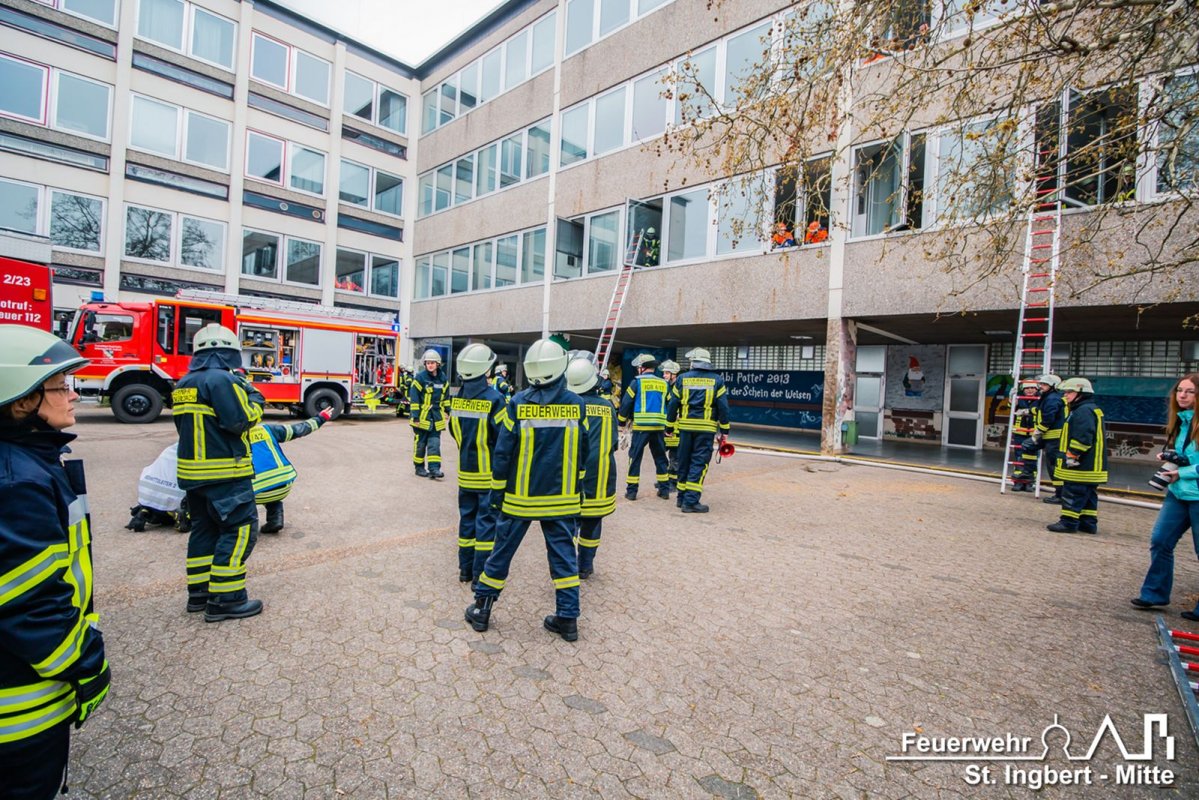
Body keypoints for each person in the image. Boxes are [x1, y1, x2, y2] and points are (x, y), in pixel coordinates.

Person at [0, 325, 110, 798]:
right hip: (20, 708)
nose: (74, 394)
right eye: (61, 386)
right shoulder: (17, 483)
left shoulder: (25, 464)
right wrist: (88, 663)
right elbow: (28, 605)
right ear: (21, 400)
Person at [465, 339, 593, 642]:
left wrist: (497, 494)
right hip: (561, 499)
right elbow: (584, 451)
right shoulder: (577, 404)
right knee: (564, 558)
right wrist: (578, 489)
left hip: (519, 499)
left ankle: (481, 610)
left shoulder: (518, 402)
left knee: (501, 553)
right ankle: (568, 620)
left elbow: (503, 454)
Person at [172, 323, 267, 621]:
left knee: (204, 530)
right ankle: (227, 599)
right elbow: (240, 421)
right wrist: (255, 399)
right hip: (226, 473)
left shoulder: (184, 383)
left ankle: (199, 594)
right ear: (230, 353)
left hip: (193, 475)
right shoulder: (222, 380)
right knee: (239, 530)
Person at [1131, 374, 1199, 614]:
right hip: (1178, 494)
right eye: (1179, 390)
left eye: (1189, 391)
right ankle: (1154, 594)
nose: (1182, 395)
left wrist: (1184, 472)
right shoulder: (1182, 421)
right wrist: (1173, 458)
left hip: (1194, 493)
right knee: (1160, 541)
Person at [449, 343, 509, 584]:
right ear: (486, 369)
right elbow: (503, 438)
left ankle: (464, 569)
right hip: (487, 476)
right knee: (486, 524)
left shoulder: (457, 398)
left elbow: (454, 431)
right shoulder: (495, 399)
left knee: (467, 521)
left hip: (465, 473)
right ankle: (479, 574)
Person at [567, 355, 618, 580]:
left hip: (571, 476)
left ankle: (567, 564)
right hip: (601, 474)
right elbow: (613, 443)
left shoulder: (568, 406)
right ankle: (585, 566)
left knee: (569, 523)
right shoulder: (607, 407)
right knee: (593, 522)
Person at [667, 347, 731, 513]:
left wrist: (669, 426)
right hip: (705, 429)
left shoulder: (682, 379)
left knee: (684, 461)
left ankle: (681, 498)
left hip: (685, 428)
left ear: (694, 362)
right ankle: (690, 501)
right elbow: (723, 407)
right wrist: (724, 430)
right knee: (699, 463)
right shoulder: (717, 380)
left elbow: (673, 404)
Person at [251, 408, 336, 533]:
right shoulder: (266, 430)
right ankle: (276, 519)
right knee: (271, 485)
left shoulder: (231, 437)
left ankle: (249, 528)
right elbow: (298, 429)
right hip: (283, 486)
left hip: (255, 493)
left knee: (240, 497)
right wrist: (320, 418)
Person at [1046, 377, 1106, 534]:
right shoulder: (1089, 408)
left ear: (1081, 393)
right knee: (1088, 496)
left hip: (1082, 466)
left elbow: (1083, 437)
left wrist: (1072, 455)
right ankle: (1088, 523)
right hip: (1092, 466)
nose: (1065, 395)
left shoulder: (1082, 411)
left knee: (1073, 493)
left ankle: (1068, 522)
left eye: (1069, 392)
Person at [618, 353, 671, 500]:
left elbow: (626, 403)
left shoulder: (637, 382)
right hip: (658, 428)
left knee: (635, 458)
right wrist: (669, 425)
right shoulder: (663, 384)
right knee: (660, 458)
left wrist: (621, 422)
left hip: (641, 427)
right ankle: (664, 490)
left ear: (642, 368)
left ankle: (632, 492)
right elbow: (671, 403)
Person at [1023, 374, 1067, 503]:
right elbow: (1041, 410)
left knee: (1053, 466)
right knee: (1028, 446)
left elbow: (1048, 418)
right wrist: (1029, 411)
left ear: (1053, 386)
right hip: (1048, 436)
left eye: (1044, 384)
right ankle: (1028, 473)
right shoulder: (1048, 397)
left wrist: (1037, 433)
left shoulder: (1052, 398)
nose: (1041, 386)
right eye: (1041, 384)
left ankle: (1060, 495)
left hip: (1054, 438)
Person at [409, 350, 449, 479]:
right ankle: (419, 467)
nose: (430, 365)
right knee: (420, 445)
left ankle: (434, 469)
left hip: (436, 418)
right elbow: (414, 398)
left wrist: (448, 410)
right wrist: (415, 416)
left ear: (438, 364)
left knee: (434, 445)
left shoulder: (443, 379)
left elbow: (446, 397)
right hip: (421, 418)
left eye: (432, 363)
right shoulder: (420, 378)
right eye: (428, 363)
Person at [1009, 379, 1042, 492]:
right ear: (1023, 389)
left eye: (1032, 388)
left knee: (1033, 459)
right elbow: (1011, 407)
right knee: (1019, 458)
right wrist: (1012, 399)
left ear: (1036, 389)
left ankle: (1030, 483)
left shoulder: (1041, 399)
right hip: (1019, 433)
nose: (1030, 390)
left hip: (1034, 434)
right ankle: (1018, 482)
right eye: (1027, 388)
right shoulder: (1019, 398)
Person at [660, 359, 682, 490]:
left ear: (674, 374)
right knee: (668, 455)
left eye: (667, 373)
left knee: (675, 456)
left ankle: (674, 482)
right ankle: (668, 480)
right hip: (670, 427)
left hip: (677, 428)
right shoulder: (669, 386)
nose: (664, 375)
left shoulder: (678, 387)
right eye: (664, 373)